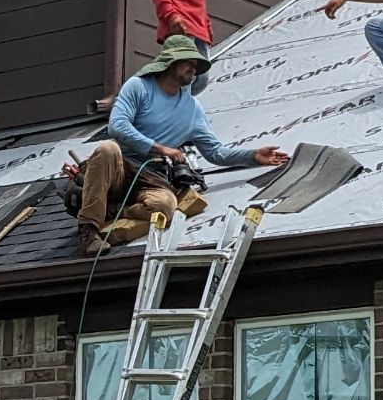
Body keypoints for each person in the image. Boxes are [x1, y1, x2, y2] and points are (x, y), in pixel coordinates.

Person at [73, 33, 290, 252]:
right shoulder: (139, 86)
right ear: (171, 62)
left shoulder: (192, 109)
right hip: (120, 166)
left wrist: (253, 156)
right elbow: (117, 126)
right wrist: (159, 148)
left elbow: (215, 152)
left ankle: (111, 209)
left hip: (152, 176)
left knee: (165, 206)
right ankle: (89, 231)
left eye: (196, 65)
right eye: (189, 62)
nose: (194, 69)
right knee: (107, 148)